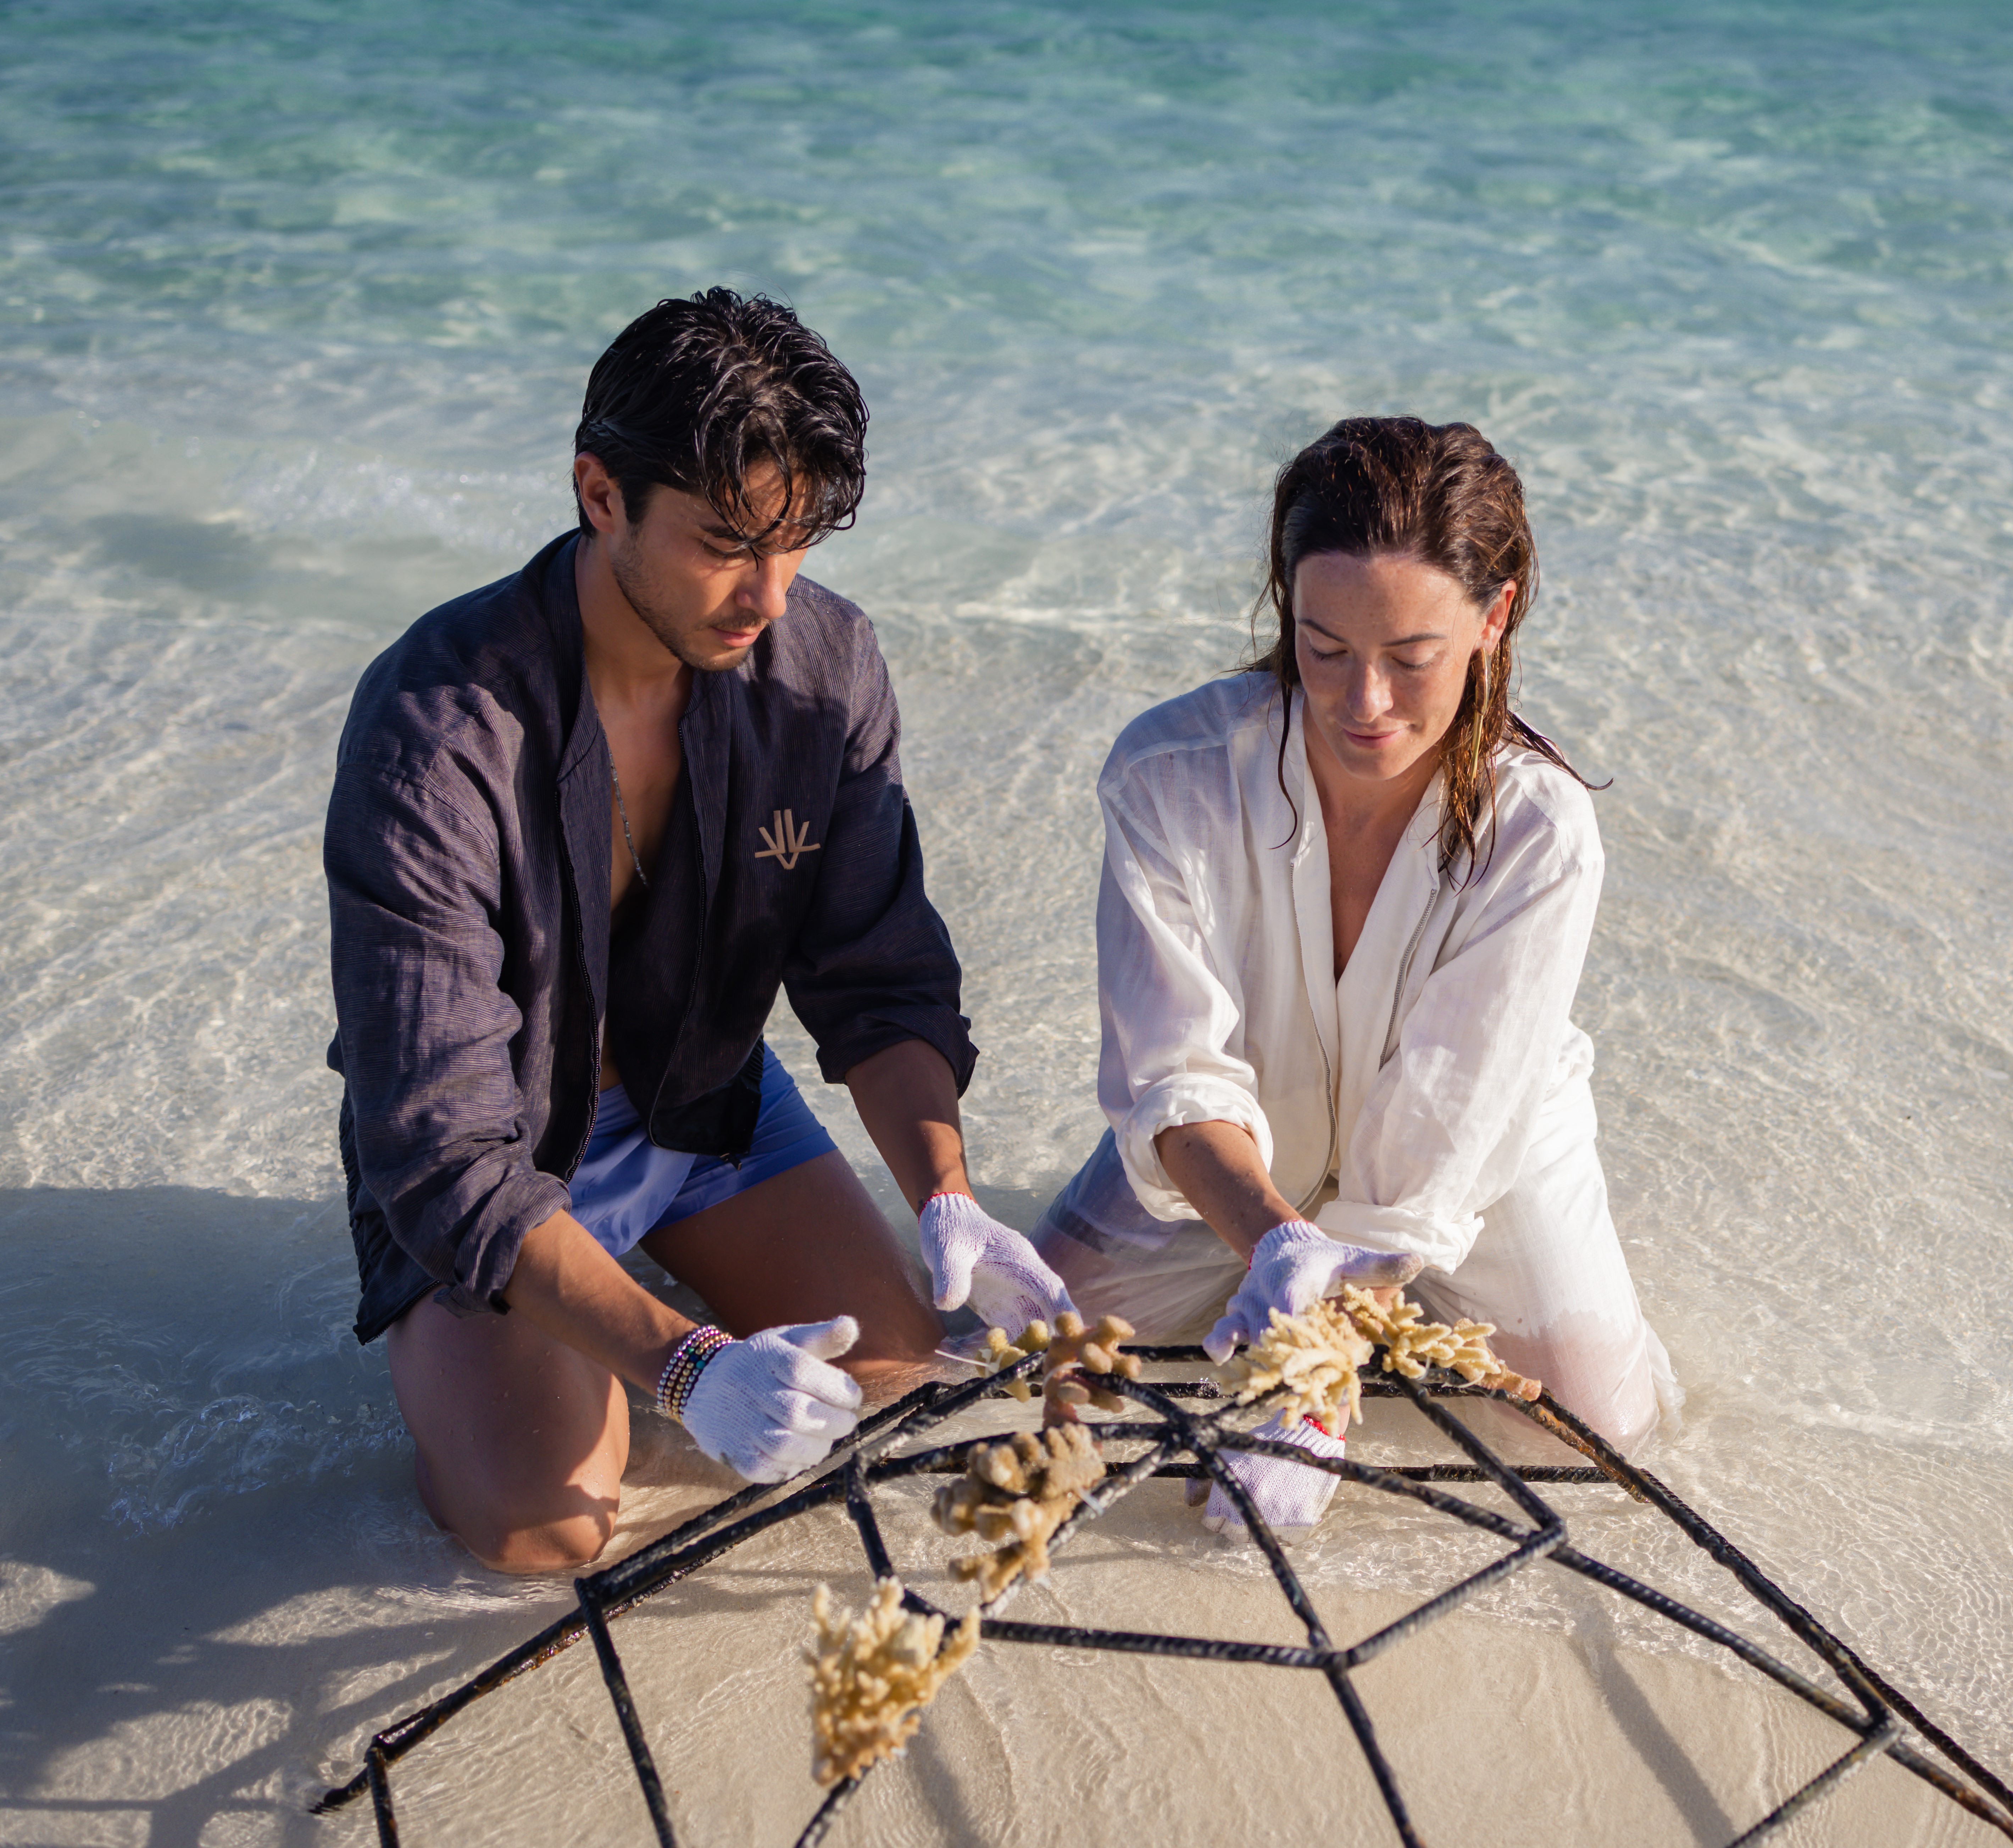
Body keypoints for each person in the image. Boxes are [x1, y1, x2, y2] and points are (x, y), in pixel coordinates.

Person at [325, 289, 1073, 1573]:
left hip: (708, 1105)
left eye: (796, 547)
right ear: (599, 491)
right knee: (541, 1537)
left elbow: (879, 979)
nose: (770, 599)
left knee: (905, 1400)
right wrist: (687, 1368)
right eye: (727, 543)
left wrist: (945, 1194)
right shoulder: (436, 728)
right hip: (506, 1153)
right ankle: (584, 1332)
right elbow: (440, 1148)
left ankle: (645, 1300)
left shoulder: (825, 667)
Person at [1029, 415, 1679, 1539]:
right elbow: (1175, 1073)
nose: (1362, 702)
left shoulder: (1541, 832)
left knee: (1598, 1436)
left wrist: (1322, 1370)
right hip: (1230, 1164)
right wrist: (1284, 1245)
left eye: (1411, 659)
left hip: (1479, 1166)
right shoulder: (1167, 771)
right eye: (1324, 649)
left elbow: (1446, 1124)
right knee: (1014, 1363)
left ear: (1496, 617)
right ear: (1286, 607)